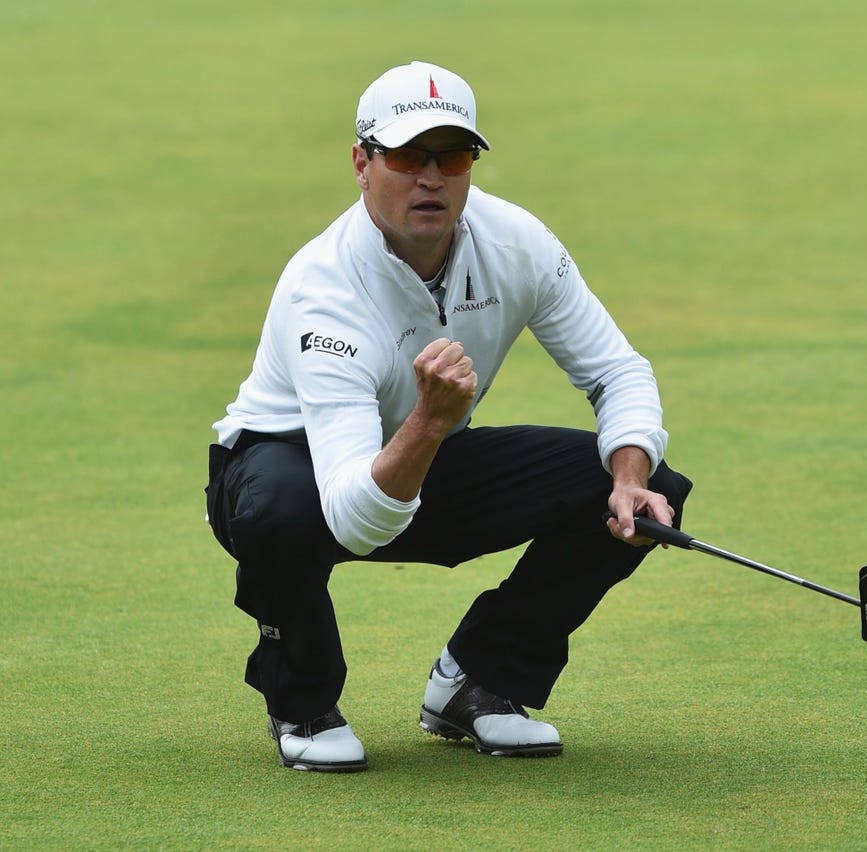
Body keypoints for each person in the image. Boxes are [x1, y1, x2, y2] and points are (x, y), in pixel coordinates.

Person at [205, 61, 692, 772]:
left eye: (453, 155)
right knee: (280, 512)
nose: (429, 178)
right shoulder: (324, 287)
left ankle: (480, 684)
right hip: (291, 470)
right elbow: (352, 521)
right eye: (406, 156)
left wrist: (627, 475)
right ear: (361, 163)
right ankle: (302, 701)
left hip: (418, 460)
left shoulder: (518, 243)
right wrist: (431, 422)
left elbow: (617, 370)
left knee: (650, 488)